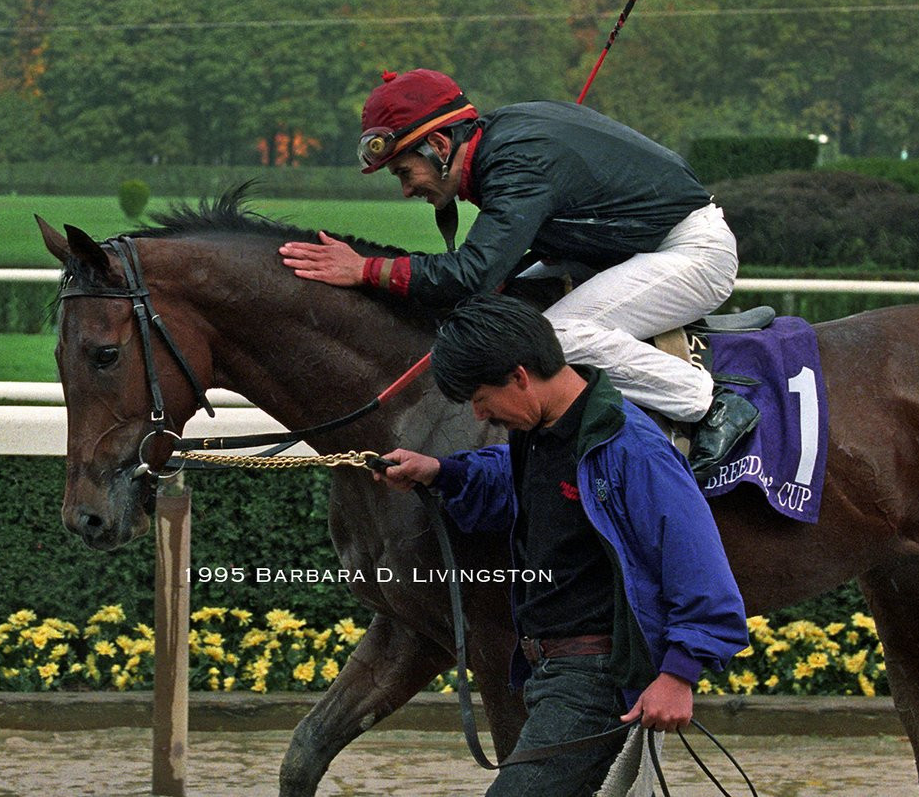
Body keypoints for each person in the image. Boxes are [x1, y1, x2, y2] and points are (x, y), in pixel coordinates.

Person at [280, 67, 758, 467]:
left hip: (690, 252)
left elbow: (471, 274)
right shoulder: (501, 144)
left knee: (554, 336)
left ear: (439, 146)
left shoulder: (516, 162)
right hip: (623, 251)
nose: (407, 190)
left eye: (405, 171)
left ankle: (710, 404)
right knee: (503, 307)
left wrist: (366, 270)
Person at [373, 294, 749, 797]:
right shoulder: (541, 432)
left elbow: (700, 568)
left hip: (594, 677)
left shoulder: (634, 448)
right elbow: (514, 483)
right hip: (544, 669)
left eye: (481, 398)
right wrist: (443, 472)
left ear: (520, 376)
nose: (481, 415)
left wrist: (678, 675)